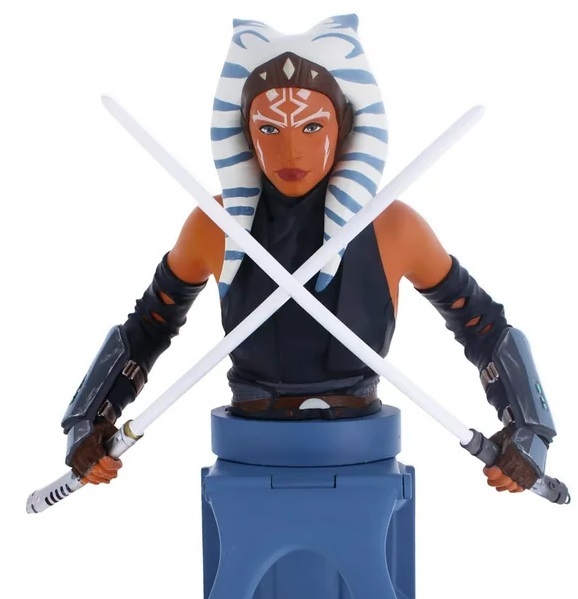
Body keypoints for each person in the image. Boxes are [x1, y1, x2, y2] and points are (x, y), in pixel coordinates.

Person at [61, 16, 555, 497]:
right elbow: (150, 324)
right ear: (245, 133)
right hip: (247, 454)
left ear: (344, 127)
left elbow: (481, 324)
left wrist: (528, 429)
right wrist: (90, 418)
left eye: (312, 126)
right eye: (270, 130)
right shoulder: (216, 224)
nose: (291, 151)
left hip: (362, 455)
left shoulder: (393, 226)